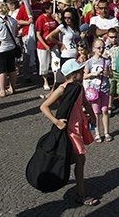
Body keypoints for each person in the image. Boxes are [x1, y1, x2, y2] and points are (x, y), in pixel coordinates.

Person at [40, 59, 99, 206]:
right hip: (69, 129)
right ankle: (81, 194)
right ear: (73, 74)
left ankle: (63, 172)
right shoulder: (62, 89)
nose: (83, 72)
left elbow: (85, 102)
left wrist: (92, 116)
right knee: (80, 159)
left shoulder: (79, 87)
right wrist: (56, 121)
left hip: (78, 126)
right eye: (80, 71)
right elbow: (44, 106)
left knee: (77, 159)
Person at [84, 39, 113, 143]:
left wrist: (107, 74)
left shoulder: (106, 61)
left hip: (105, 88)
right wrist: (93, 74)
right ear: (93, 49)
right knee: (96, 112)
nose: (101, 50)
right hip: (94, 91)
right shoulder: (89, 62)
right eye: (98, 48)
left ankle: (106, 132)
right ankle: (97, 133)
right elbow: (85, 76)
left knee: (105, 110)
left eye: (103, 47)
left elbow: (111, 74)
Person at [35, 1, 58, 91]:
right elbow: (38, 34)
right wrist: (45, 44)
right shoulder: (40, 19)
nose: (52, 9)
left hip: (53, 43)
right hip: (43, 45)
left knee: (56, 61)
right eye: (51, 8)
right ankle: (45, 81)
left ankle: (56, 80)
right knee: (44, 63)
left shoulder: (53, 18)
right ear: (46, 9)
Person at [105, 27, 119, 114]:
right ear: (108, 37)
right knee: (111, 90)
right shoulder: (106, 48)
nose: (113, 39)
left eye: (115, 37)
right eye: (111, 37)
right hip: (110, 72)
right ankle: (109, 105)